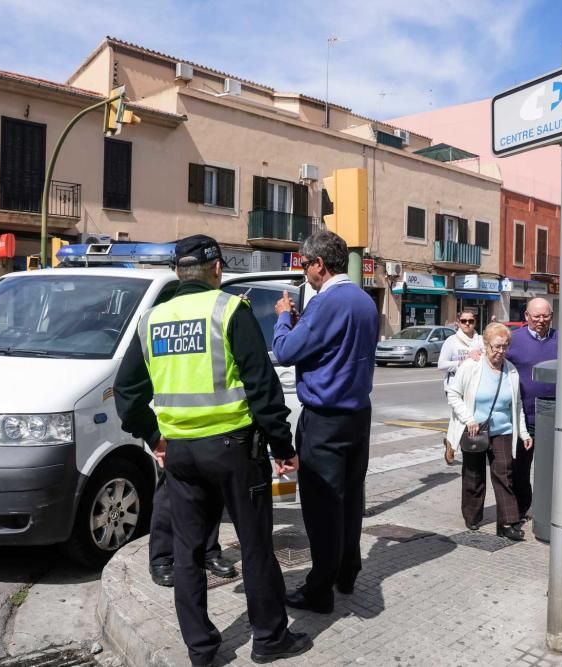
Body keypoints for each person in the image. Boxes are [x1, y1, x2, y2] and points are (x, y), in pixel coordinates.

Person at [122, 234, 310, 666]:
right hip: (234, 451)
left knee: (186, 553)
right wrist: (282, 445)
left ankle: (201, 651)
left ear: (177, 273)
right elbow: (263, 388)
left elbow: (128, 394)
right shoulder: (230, 309)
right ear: (217, 270)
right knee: (256, 544)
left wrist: (154, 437)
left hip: (181, 455)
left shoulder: (152, 320)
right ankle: (268, 639)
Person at [272, 230, 379, 614]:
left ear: (320, 264)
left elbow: (284, 352)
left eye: (305, 265)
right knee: (350, 499)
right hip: (357, 416)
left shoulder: (327, 301)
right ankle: (347, 571)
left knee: (321, 507)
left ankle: (319, 590)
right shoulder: (365, 302)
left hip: (326, 419)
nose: (304, 274)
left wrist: (284, 318)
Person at [115, 352, 238, 587]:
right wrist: (152, 435)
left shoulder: (216, 315)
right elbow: (126, 388)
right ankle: (163, 558)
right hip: (175, 431)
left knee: (212, 492)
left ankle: (208, 551)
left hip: (214, 426)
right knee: (169, 497)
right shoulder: (153, 318)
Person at [445, 322, 532, 540]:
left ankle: (507, 523)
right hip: (475, 430)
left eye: (505, 347)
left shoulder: (511, 370)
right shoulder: (471, 366)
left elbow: (517, 404)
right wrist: (469, 419)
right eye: (496, 346)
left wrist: (523, 433)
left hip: (502, 430)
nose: (501, 351)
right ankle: (472, 516)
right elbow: (453, 394)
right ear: (486, 345)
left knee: (505, 473)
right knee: (474, 475)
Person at [505, 297, 558, 523]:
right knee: (520, 469)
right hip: (523, 418)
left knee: (551, 469)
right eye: (536, 316)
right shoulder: (513, 340)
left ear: (551, 317)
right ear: (526, 317)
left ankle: (548, 510)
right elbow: (493, 359)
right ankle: (520, 508)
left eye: (545, 316)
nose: (541, 320)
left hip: (554, 417)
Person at [437, 308, 484, 465]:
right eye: (464, 321)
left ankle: (452, 443)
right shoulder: (452, 341)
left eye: (471, 321)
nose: (467, 324)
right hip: (454, 386)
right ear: (458, 323)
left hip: (475, 386)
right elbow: (441, 364)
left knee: (462, 417)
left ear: (475, 322)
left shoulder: (481, 341)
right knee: (459, 415)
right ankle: (453, 446)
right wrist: (461, 363)